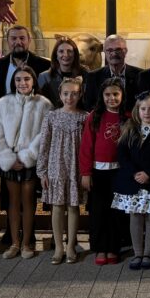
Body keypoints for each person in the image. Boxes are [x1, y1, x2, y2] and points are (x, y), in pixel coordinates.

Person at [0, 66, 52, 259]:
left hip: (30, 161)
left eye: (26, 79)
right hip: (10, 159)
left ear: (33, 81)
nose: (22, 83)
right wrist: (8, 158)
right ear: (13, 82)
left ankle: (27, 243)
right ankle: (14, 243)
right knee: (13, 202)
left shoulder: (44, 104)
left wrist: (28, 156)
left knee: (29, 201)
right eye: (18, 79)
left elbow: (45, 133)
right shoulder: (2, 103)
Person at [115, 92, 150, 270]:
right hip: (133, 181)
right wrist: (134, 173)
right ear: (137, 110)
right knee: (135, 216)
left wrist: (149, 173)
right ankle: (137, 253)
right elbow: (122, 154)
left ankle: (148, 253)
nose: (147, 112)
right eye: (143, 109)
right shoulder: (130, 128)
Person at [37, 78, 88, 265]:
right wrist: (42, 171)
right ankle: (59, 247)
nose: (70, 97)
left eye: (74, 93)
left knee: (73, 206)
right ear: (60, 95)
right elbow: (44, 144)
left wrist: (86, 171)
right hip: (56, 166)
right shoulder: (51, 116)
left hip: (76, 167)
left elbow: (88, 146)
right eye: (66, 93)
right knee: (57, 206)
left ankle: (71, 246)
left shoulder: (85, 117)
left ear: (80, 95)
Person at [80, 79, 125, 265]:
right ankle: (100, 248)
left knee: (116, 212)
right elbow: (86, 146)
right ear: (102, 96)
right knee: (99, 211)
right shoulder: (95, 116)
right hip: (98, 172)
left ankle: (114, 247)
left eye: (115, 94)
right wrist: (85, 173)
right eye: (107, 95)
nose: (111, 98)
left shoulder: (127, 116)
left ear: (122, 95)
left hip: (119, 172)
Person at [0, 26, 51, 104]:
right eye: (13, 38)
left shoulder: (45, 66)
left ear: (29, 40)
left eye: (22, 38)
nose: (18, 42)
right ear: (7, 41)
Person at [83, 35, 141, 114]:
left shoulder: (140, 75)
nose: (114, 54)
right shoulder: (93, 76)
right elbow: (89, 105)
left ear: (125, 51)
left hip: (133, 119)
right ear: (104, 52)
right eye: (109, 50)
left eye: (118, 50)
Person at [38, 38, 86, 108]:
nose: (66, 55)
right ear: (56, 55)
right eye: (61, 51)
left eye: (69, 51)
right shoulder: (44, 77)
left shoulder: (85, 74)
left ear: (75, 54)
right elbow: (40, 104)